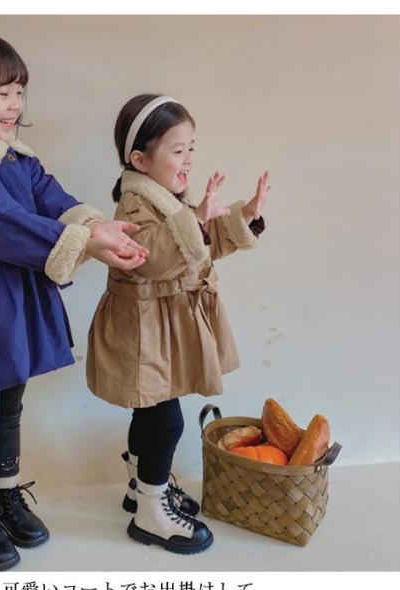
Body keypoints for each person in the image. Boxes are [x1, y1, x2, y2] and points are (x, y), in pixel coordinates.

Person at [0, 28, 147, 571]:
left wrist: (97, 229)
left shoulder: (16, 159)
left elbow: (52, 199)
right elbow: (3, 222)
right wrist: (86, 242)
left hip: (12, 305)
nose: (15, 103)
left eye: (19, 91)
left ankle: (6, 496)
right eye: (1, 91)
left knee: (11, 411)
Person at [86, 93, 269, 554]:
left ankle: (140, 486)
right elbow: (153, 258)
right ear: (140, 159)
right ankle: (150, 511)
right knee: (165, 420)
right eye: (177, 150)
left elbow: (197, 249)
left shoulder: (167, 199)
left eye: (191, 149)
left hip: (162, 325)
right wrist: (195, 220)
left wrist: (241, 217)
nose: (188, 160)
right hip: (144, 331)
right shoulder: (134, 206)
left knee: (149, 412)